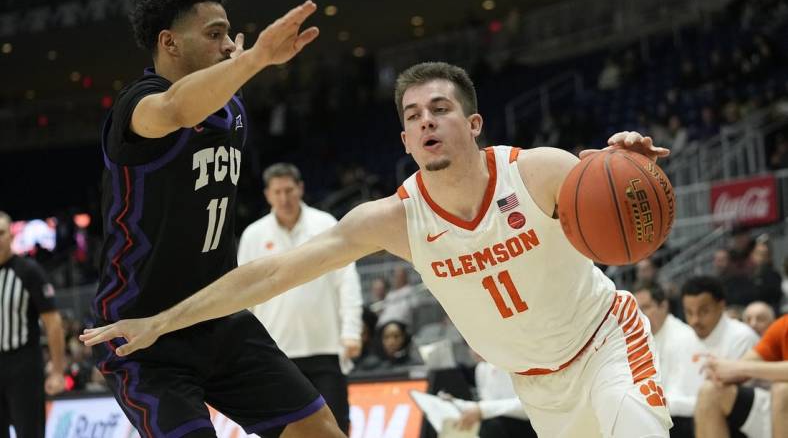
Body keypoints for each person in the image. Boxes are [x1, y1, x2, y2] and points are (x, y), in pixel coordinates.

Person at [81, 62, 674, 437]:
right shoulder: (395, 219)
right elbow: (269, 275)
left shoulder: (541, 171)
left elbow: (618, 201)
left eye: (440, 109)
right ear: (405, 139)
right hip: (534, 382)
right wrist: (162, 321)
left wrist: (621, 162)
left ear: (473, 124)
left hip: (606, 346)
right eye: (414, 116)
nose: (427, 122)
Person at [86, 0, 343, 437]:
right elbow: (177, 110)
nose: (228, 44)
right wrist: (258, 58)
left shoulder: (232, 108)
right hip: (140, 333)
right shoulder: (138, 106)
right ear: (169, 43)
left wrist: (239, 69)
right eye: (213, 34)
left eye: (228, 33)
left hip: (218, 316)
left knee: (319, 429)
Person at [237, 163, 363, 434]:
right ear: (268, 195)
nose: (284, 198)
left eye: (289, 190)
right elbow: (243, 295)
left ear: (301, 189)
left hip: (326, 348)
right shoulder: (253, 235)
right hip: (275, 352)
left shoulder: (325, 224)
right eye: (278, 192)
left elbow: (347, 282)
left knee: (336, 428)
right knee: (283, 432)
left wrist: (351, 331)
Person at [0, 211, 66, 438]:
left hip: (23, 365)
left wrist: (57, 370)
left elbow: (53, 322)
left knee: (30, 433)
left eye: (0, 233)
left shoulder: (28, 272)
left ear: (10, 235)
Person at [695, 314, 788, 438]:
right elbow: (743, 363)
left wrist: (741, 369)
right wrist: (720, 371)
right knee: (710, 391)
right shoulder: (783, 324)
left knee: (783, 391)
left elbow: (741, 367)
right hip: (778, 412)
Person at [633, 281, 703, 437]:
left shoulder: (683, 337)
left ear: (663, 306)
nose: (639, 314)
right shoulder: (642, 338)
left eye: (645, 307)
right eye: (636, 309)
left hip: (685, 418)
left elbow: (679, 397)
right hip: (659, 412)